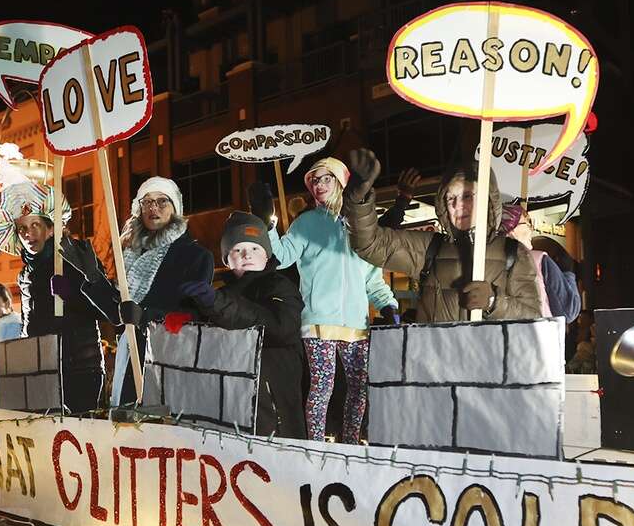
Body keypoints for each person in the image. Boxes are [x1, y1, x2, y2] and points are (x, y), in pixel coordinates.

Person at [251, 157, 397, 444]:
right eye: (314, 180)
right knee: (322, 386)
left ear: (340, 182)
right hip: (318, 322)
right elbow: (280, 257)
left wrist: (388, 305)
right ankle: (316, 448)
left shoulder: (360, 225)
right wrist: (267, 222)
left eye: (325, 178)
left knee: (359, 388)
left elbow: (372, 278)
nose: (319, 184)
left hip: (356, 323)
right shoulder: (306, 223)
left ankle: (351, 444)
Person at [344, 149, 542, 323]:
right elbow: (370, 244)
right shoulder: (430, 248)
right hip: (437, 363)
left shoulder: (513, 253)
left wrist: (493, 302)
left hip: (491, 364)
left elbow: (534, 319)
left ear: (487, 199)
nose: (458, 206)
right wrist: (358, 198)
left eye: (467, 196)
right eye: (450, 198)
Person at [79, 177, 214, 406]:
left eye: (162, 201)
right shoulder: (130, 256)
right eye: (147, 202)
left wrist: (146, 316)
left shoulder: (196, 256)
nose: (153, 208)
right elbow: (118, 314)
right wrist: (93, 277)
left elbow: (193, 318)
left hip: (167, 362)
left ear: (175, 209)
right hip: (130, 356)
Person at [178, 212, 306, 438]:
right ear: (227, 259)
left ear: (267, 255)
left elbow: (280, 328)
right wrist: (179, 320)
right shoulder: (219, 295)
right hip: (231, 412)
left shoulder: (281, 286)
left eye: (255, 248)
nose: (247, 254)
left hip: (275, 417)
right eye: (237, 249)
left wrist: (218, 304)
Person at [14, 208, 114, 413]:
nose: (27, 233)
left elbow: (107, 310)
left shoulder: (74, 257)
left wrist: (70, 294)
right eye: (22, 228)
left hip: (80, 368)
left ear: (51, 229)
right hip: (41, 368)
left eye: (35, 225)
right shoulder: (24, 274)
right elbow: (27, 324)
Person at [502, 204, 582, 323]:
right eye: (528, 223)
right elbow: (569, 311)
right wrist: (568, 273)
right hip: (538, 336)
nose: (531, 229)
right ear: (511, 228)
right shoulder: (538, 260)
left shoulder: (485, 263)